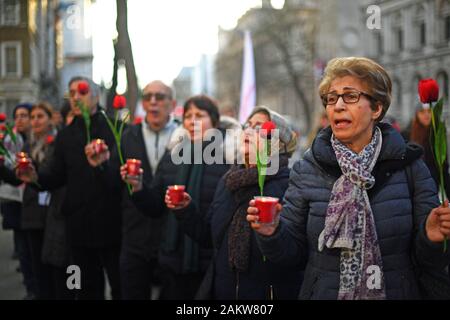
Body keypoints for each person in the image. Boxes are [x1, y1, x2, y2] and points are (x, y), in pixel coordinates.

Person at [247, 57, 450, 300]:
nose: (338, 106)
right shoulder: (307, 169)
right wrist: (272, 232)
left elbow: (429, 259)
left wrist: (431, 237)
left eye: (350, 96)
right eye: (331, 98)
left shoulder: (409, 166)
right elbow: (293, 256)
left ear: (376, 108)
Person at [169, 106, 303, 300]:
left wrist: (273, 233)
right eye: (246, 125)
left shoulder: (291, 185)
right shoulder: (228, 181)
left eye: (259, 127)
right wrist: (185, 210)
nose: (247, 131)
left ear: (279, 144)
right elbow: (209, 237)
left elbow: (297, 255)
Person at [17, 76, 122, 300]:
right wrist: (35, 177)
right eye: (71, 93)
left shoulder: (116, 128)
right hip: (79, 225)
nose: (75, 97)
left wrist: (103, 166)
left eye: (81, 92)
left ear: (95, 96)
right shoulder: (65, 135)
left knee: (120, 285)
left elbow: (121, 176)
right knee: (84, 288)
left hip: (112, 223)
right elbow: (55, 175)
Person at [122, 95, 232, 299]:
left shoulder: (228, 157)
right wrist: (138, 186)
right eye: (188, 116)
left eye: (200, 115)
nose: (192, 121)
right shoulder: (173, 153)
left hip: (209, 264)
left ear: (215, 122)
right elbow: (155, 206)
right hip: (172, 262)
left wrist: (187, 210)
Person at [114, 80, 178, 300]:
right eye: (148, 96)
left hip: (171, 239)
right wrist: (101, 164)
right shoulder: (127, 136)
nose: (153, 102)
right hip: (135, 238)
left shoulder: (185, 138)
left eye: (159, 97)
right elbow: (111, 183)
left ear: (172, 103)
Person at [0, 103, 35, 299]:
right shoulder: (8, 139)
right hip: (13, 196)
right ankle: (30, 285)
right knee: (21, 241)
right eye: (18, 115)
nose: (21, 119)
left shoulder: (35, 138)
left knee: (32, 243)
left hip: (32, 198)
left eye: (25, 115)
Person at [402, 106, 450, 200]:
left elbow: (443, 165)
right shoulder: (407, 134)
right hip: (412, 185)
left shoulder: (437, 134)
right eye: (422, 112)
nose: (426, 115)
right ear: (417, 114)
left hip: (432, 184)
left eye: (429, 111)